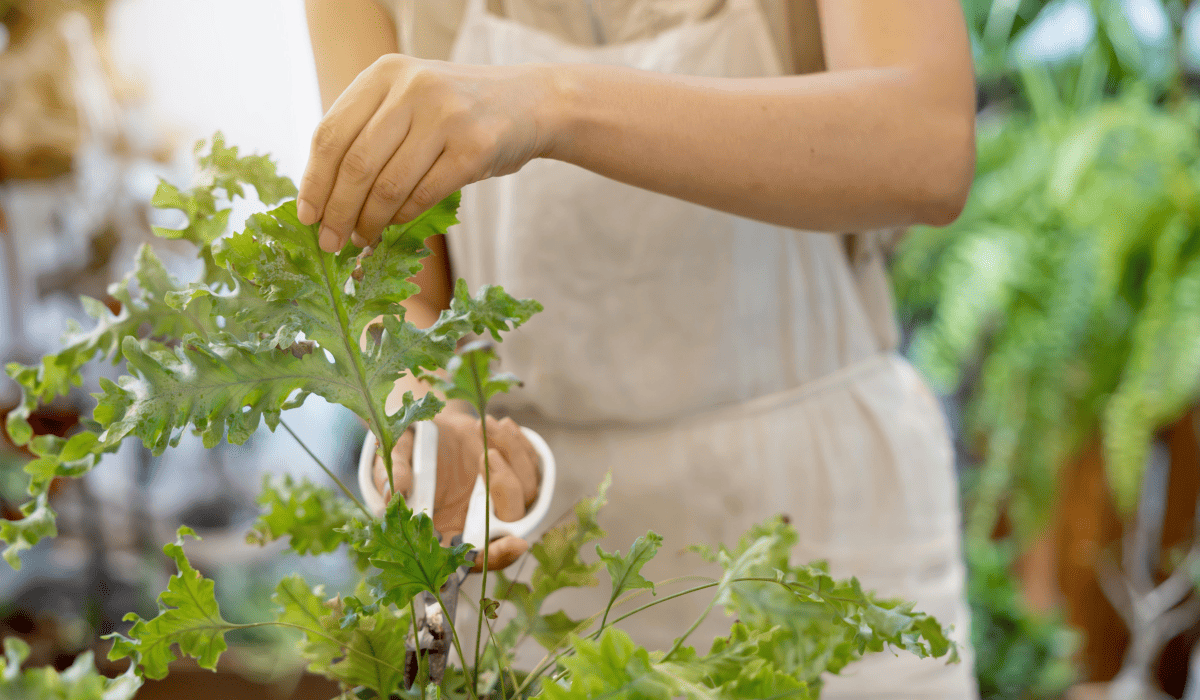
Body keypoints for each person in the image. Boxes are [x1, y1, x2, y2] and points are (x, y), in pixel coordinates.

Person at [302, 1, 978, 697]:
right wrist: (419, 414)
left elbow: (927, 146)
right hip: (539, 546)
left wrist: (553, 103)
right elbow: (394, 286)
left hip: (824, 520)